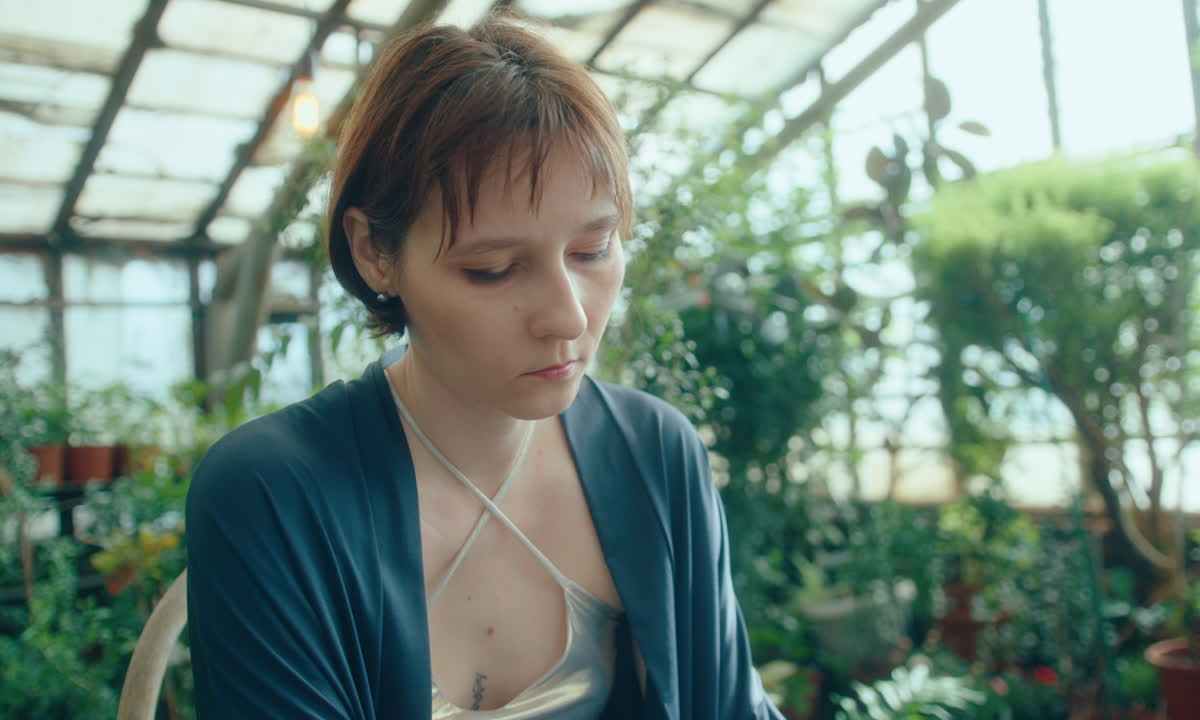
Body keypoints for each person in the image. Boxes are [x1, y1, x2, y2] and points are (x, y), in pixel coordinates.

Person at [186, 13, 783, 720]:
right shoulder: (275, 496)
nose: (567, 316)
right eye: (493, 270)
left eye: (594, 250)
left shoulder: (655, 455)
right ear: (376, 251)